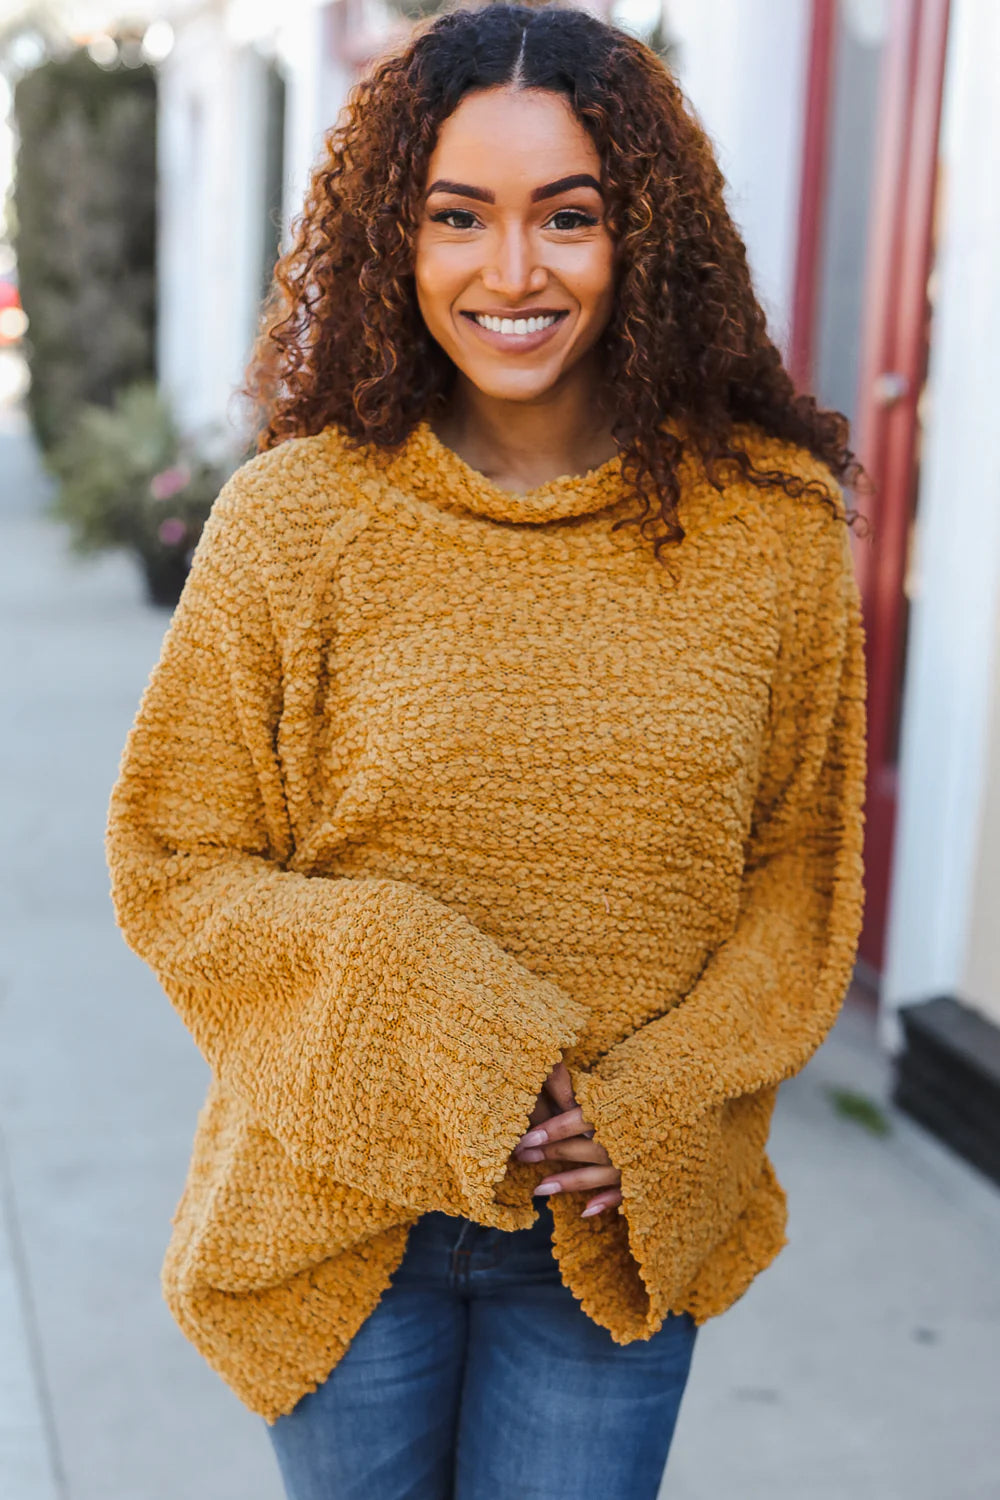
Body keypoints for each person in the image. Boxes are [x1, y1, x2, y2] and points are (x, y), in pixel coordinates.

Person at [104, 4, 870, 1497]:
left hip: (613, 1219)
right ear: (399, 236)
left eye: (566, 218)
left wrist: (658, 1098)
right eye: (459, 217)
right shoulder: (295, 522)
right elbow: (172, 863)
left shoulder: (770, 532)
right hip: (338, 1205)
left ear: (643, 234)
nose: (511, 273)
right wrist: (417, 987)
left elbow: (799, 881)